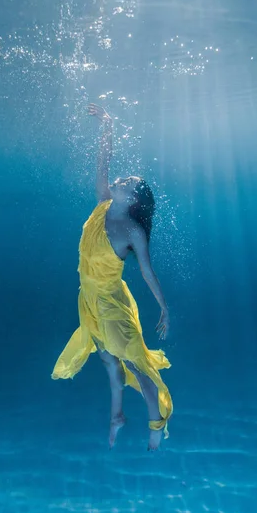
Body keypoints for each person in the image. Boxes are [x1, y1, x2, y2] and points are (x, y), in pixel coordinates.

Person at [52, 103, 173, 451]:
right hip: (88, 298)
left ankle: (155, 426)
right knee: (107, 359)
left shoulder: (133, 230)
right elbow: (102, 162)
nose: (122, 178)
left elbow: (147, 272)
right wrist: (106, 125)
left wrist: (164, 308)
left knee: (136, 365)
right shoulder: (104, 200)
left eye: (129, 181)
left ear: (134, 198)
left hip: (110, 303)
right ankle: (116, 415)